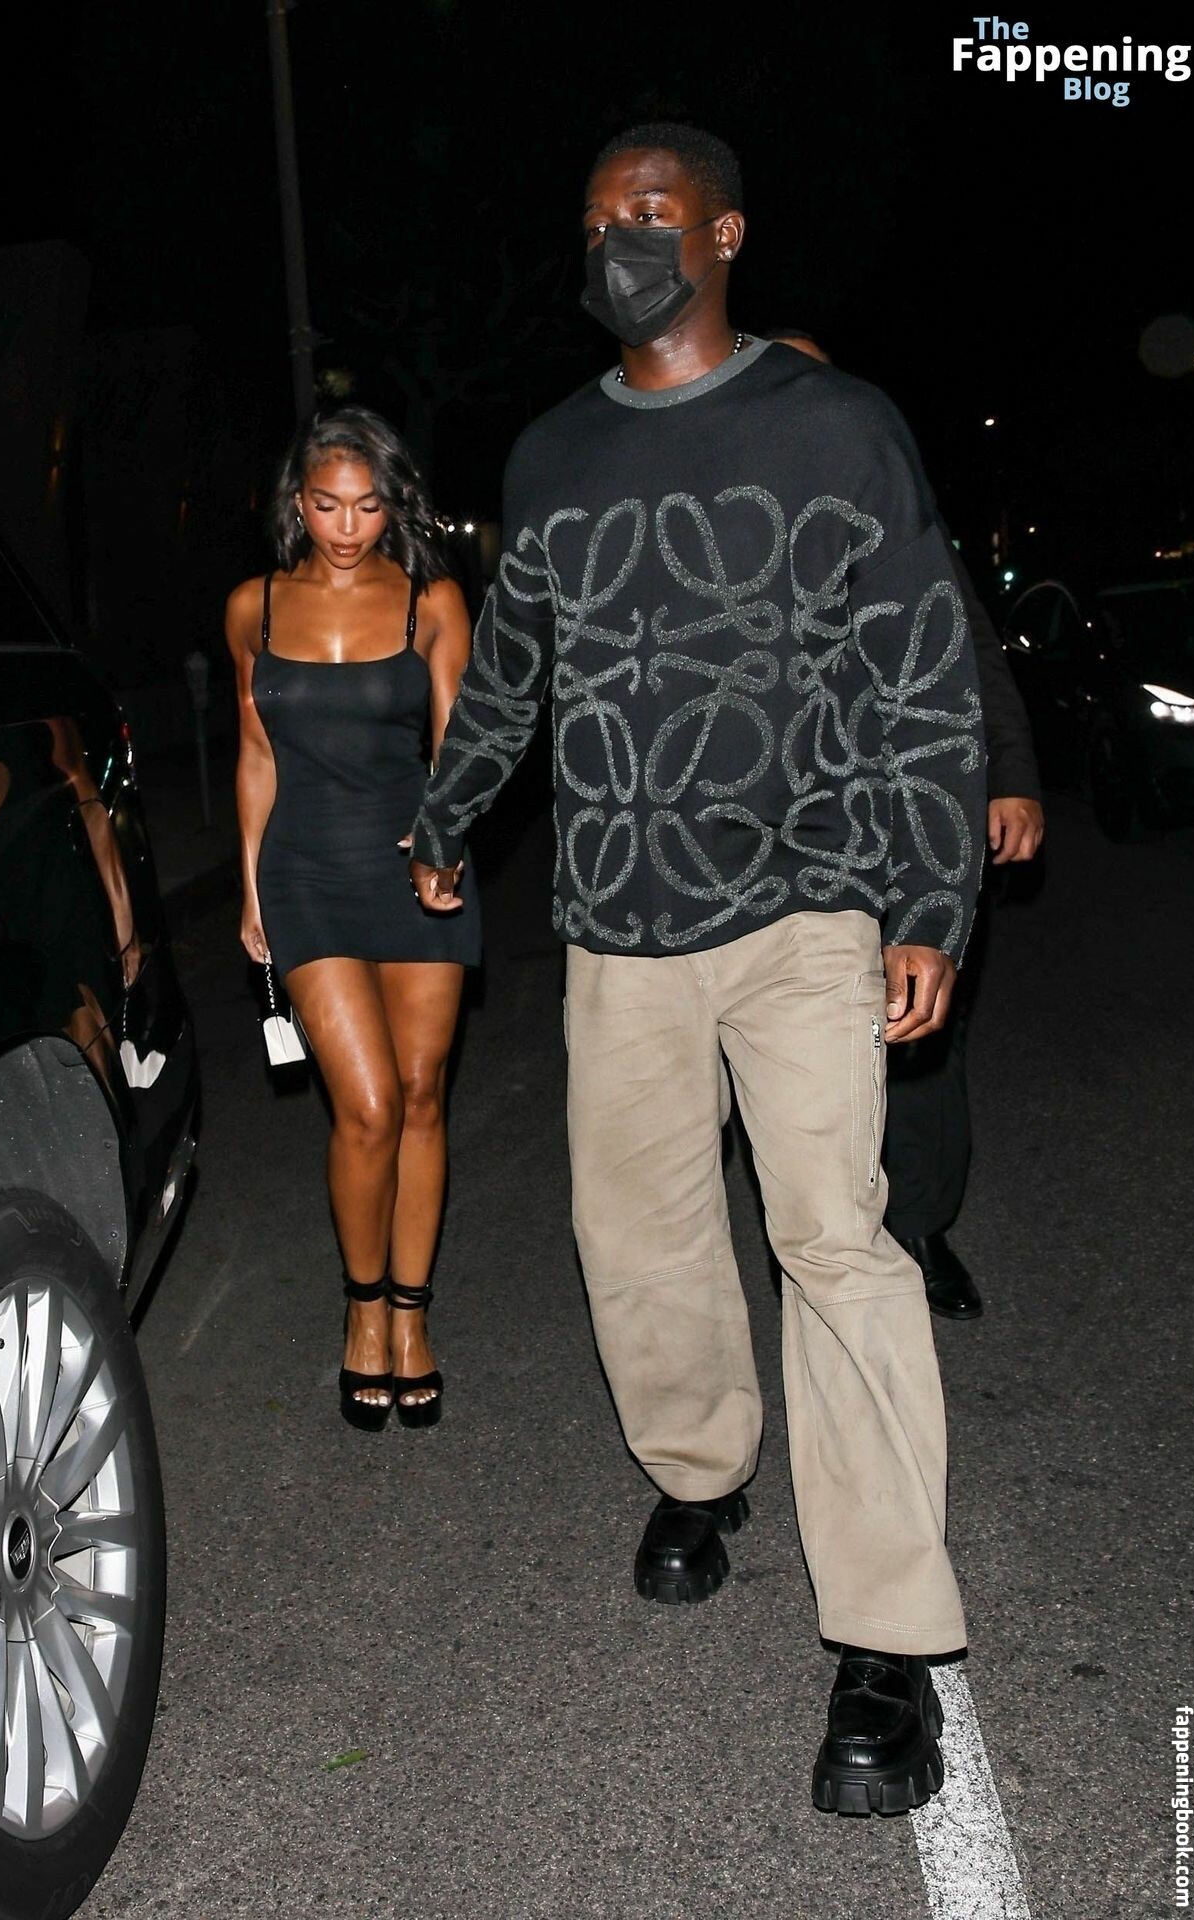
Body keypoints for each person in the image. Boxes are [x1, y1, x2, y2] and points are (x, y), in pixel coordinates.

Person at [409, 124, 986, 1815]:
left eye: (648, 216)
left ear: (723, 234)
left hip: (806, 905)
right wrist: (447, 812)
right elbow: (511, 666)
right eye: (596, 221)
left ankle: (883, 1640)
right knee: (636, 1236)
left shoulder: (831, 425)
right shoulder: (550, 454)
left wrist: (925, 900)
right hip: (615, 922)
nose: (618, 245)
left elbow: (917, 669)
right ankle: (700, 1469)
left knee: (834, 1243)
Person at [771, 328, 1046, 1320]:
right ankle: (815, 1232)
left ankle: (921, 1229)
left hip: (913, 811)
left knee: (919, 1026)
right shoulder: (732, 513)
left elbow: (969, 646)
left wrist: (1010, 776)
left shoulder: (888, 503)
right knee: (794, 1038)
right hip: (793, 830)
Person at [226, 407, 479, 1432]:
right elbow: (254, 753)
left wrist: (443, 844)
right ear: (297, 501)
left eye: (367, 507)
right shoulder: (253, 607)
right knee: (366, 1104)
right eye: (327, 505)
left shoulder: (430, 601)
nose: (346, 527)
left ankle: (411, 1317)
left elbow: (458, 748)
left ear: (391, 506)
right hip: (304, 874)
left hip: (414, 874)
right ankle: (361, 1305)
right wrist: (249, 888)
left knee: (420, 1097)